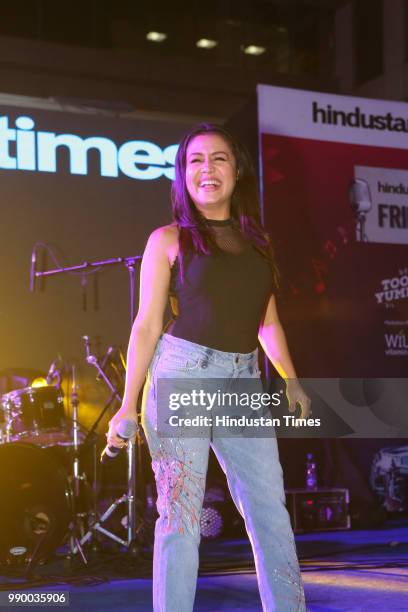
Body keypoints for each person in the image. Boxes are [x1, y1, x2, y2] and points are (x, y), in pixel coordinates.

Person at [107, 123, 310, 611]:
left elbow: (268, 324)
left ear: (237, 172)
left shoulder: (259, 244)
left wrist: (291, 379)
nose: (207, 169)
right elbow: (147, 324)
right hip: (182, 375)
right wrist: (127, 404)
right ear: (182, 175)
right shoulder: (169, 239)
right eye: (195, 160)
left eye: (219, 159)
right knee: (181, 514)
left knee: (269, 510)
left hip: (242, 379)